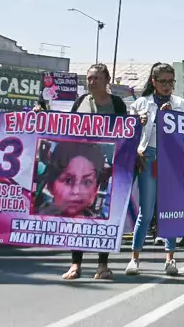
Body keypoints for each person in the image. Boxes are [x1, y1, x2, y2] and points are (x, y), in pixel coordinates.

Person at [61, 64, 127, 281]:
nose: (91, 82)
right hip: (82, 167)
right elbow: (66, 129)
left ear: (107, 80)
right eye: (89, 78)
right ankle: (75, 264)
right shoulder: (80, 102)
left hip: (108, 169)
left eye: (96, 78)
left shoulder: (116, 104)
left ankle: (103, 265)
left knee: (103, 216)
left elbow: (127, 133)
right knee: (77, 216)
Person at [126, 62, 184, 276]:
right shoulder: (141, 103)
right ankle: (134, 258)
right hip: (148, 156)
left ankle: (170, 259)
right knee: (147, 210)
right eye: (163, 82)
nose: (167, 86)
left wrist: (171, 118)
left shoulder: (179, 103)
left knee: (169, 209)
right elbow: (128, 133)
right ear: (153, 82)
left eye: (171, 82)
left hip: (170, 158)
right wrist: (137, 123)